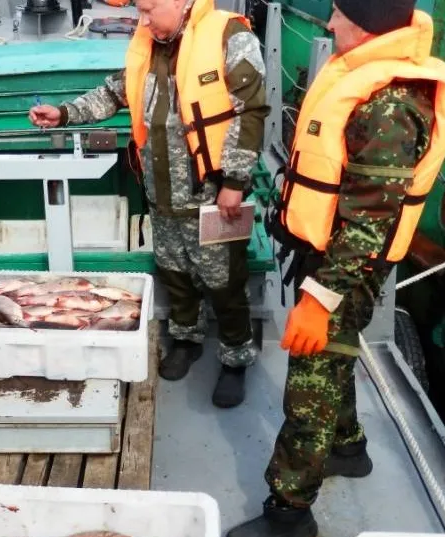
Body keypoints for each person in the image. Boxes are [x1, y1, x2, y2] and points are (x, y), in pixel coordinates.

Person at [224, 0, 445, 537]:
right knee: (334, 359)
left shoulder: (390, 107)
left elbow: (368, 226)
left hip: (343, 270)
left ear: (371, 22)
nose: (330, 25)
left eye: (339, 14)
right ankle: (349, 448)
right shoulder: (365, 77)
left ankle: (289, 512)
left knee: (309, 384)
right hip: (331, 258)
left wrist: (318, 299)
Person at [29, 0, 270, 408]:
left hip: (212, 195)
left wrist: (235, 181)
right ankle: (186, 339)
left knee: (225, 281)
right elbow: (114, 92)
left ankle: (235, 358)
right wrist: (65, 113)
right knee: (174, 272)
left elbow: (252, 111)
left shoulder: (229, 35)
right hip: (161, 194)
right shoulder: (150, 41)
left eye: (147, 9)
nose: (140, 20)